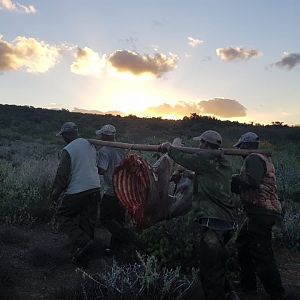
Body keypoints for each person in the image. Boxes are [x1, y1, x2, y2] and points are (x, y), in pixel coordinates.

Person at [159, 130, 237, 300]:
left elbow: (184, 159)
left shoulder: (205, 159)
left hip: (212, 225)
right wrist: (184, 175)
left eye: (201, 143)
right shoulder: (223, 163)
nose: (199, 146)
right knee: (218, 266)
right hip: (227, 223)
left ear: (206, 144)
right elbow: (204, 177)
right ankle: (231, 295)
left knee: (209, 271)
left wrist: (169, 148)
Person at [232, 132, 286, 300]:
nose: (239, 151)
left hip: (261, 211)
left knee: (262, 254)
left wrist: (234, 178)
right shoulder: (261, 158)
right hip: (259, 211)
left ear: (246, 146)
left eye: (240, 147)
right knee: (242, 244)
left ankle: (277, 294)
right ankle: (248, 285)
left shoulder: (253, 158)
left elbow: (253, 181)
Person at [49, 122, 101, 265]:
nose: (63, 138)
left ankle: (83, 242)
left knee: (62, 216)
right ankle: (84, 258)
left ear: (67, 135)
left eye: (63, 136)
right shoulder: (89, 144)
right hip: (95, 187)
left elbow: (62, 176)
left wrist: (54, 195)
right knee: (87, 222)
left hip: (78, 190)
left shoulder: (67, 150)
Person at [96, 124, 133, 250]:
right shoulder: (122, 148)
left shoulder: (104, 151)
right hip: (123, 189)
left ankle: (126, 237)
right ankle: (116, 248)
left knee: (105, 218)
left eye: (101, 135)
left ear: (105, 136)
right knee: (118, 219)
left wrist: (92, 164)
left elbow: (101, 170)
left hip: (111, 190)